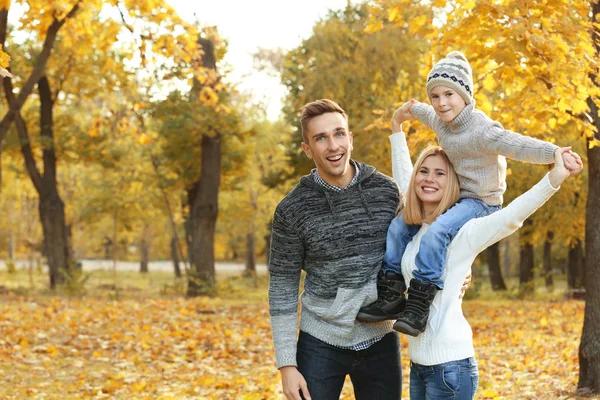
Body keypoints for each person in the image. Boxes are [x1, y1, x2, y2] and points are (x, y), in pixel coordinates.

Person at [358, 50, 580, 337]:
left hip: (481, 201)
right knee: (401, 223)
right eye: (435, 96)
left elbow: (519, 145)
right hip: (457, 197)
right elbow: (422, 111)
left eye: (448, 94)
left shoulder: (483, 130)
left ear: (465, 95)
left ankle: (418, 305)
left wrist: (554, 153)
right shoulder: (439, 119)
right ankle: (390, 294)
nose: (440, 103)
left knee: (438, 232)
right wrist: (404, 114)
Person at [386, 121, 581, 399]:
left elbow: (510, 217)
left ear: (452, 182)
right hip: (419, 366)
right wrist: (397, 130)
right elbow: (404, 178)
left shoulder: (462, 232)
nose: (429, 179)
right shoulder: (415, 232)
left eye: (440, 173)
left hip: (451, 368)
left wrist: (555, 177)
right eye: (424, 172)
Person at [268, 99, 404, 400]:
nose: (333, 146)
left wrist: (459, 272)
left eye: (339, 134)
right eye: (321, 138)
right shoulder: (292, 210)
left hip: (380, 336)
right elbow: (282, 287)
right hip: (320, 340)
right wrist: (286, 365)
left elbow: (421, 240)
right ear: (308, 149)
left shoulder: (387, 192)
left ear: (350, 138)